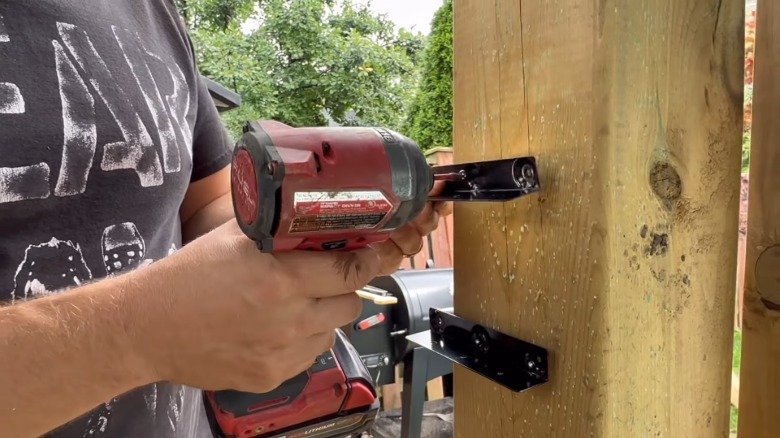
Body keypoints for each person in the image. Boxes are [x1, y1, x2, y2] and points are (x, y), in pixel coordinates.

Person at [0, 1, 451, 437]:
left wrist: (322, 218)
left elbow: (206, 208)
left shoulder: (151, 12)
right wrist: (138, 333)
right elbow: (157, 317)